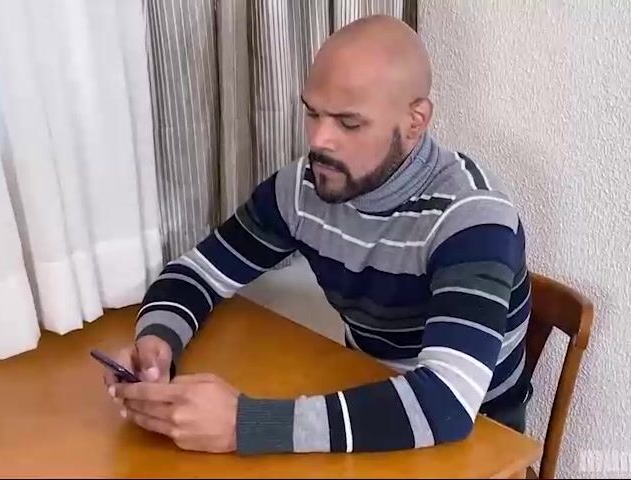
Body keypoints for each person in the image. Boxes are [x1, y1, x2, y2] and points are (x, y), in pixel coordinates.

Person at [106, 14, 532, 455]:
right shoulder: (305, 188)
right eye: (312, 113)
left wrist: (244, 425)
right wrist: (156, 341)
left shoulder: (472, 218)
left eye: (349, 123)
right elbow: (198, 273)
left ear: (415, 120)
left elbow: (446, 405)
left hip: (478, 440)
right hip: (365, 397)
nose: (319, 140)